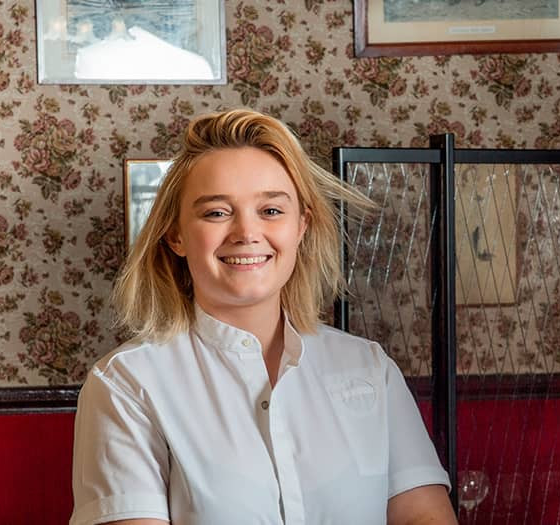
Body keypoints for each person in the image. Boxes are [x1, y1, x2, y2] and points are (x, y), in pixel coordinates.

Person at [71, 109, 457, 525]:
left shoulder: (370, 368)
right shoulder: (127, 385)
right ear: (176, 235)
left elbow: (423, 515)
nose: (246, 233)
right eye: (216, 212)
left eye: (271, 211)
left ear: (301, 226)